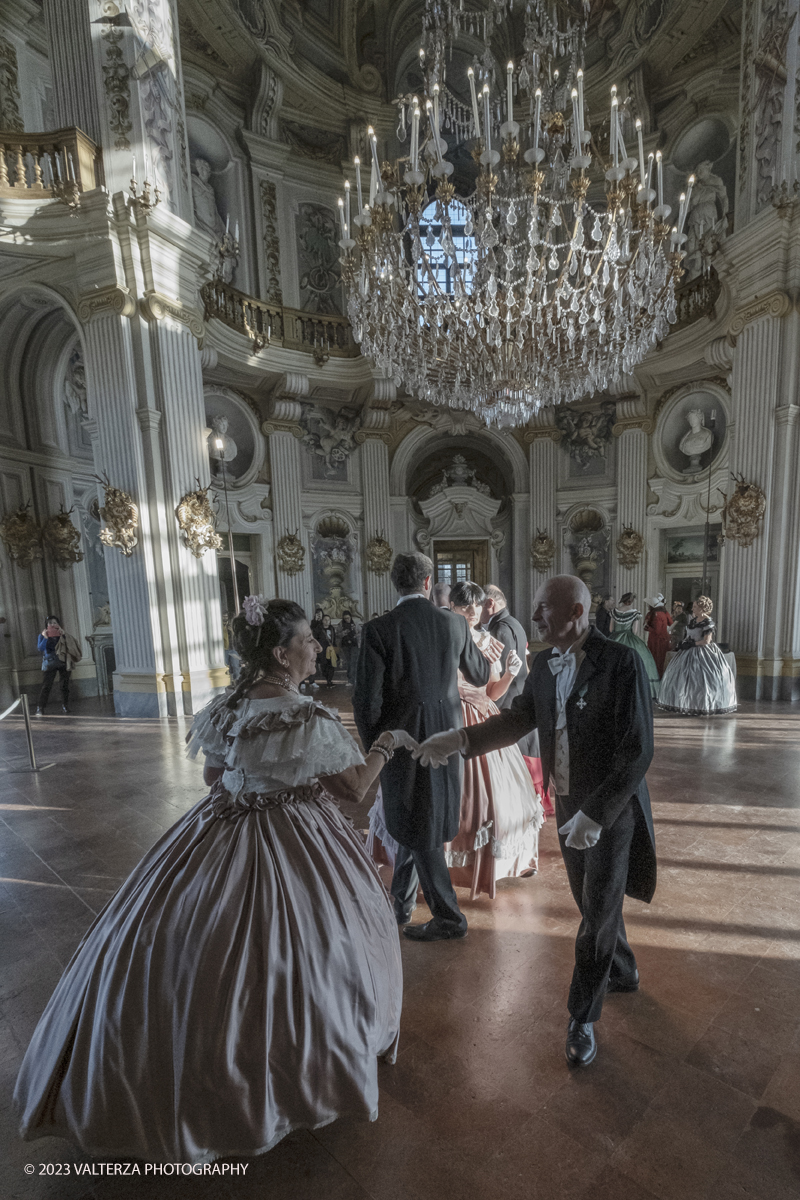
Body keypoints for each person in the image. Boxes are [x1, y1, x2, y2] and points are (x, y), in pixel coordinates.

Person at [15, 598, 404, 1163]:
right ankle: (296, 1080)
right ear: (280, 652)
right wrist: (386, 746)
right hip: (293, 834)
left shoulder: (226, 707)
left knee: (185, 945)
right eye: (307, 640)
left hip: (219, 827)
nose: (317, 647)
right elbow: (353, 791)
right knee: (313, 946)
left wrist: (256, 778)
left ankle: (172, 1081)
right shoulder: (306, 715)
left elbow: (211, 775)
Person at [414, 575, 656, 1067]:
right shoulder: (544, 665)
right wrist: (458, 742)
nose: (536, 616)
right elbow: (513, 721)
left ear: (577, 613)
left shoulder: (621, 662)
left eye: (546, 608)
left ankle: (581, 1017)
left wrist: (597, 814)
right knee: (594, 901)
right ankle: (624, 970)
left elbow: (638, 752)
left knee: (594, 914)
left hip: (610, 809)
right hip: (568, 805)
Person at [353, 552, 494, 941]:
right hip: (447, 739)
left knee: (416, 821)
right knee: (419, 821)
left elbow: (366, 704)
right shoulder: (454, 623)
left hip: (400, 742)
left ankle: (449, 917)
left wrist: (376, 751)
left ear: (395, 584)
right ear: (429, 583)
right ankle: (398, 906)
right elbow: (480, 674)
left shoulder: (378, 629)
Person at [445, 581, 543, 899]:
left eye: (476, 605)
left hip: (483, 717)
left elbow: (492, 693)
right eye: (464, 605)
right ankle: (450, 862)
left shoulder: (488, 641)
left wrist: (511, 675)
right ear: (452, 606)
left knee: (494, 794)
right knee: (457, 795)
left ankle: (497, 862)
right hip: (450, 716)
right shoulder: (443, 636)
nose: (472, 611)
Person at [481, 582, 552, 814]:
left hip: (507, 698)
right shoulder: (515, 624)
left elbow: (500, 673)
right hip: (520, 693)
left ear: (490, 604)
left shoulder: (499, 630)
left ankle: (521, 802)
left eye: (478, 605)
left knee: (516, 758)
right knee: (527, 752)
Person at [657, 596, 737, 716]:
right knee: (683, 678)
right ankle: (687, 703)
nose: (692, 609)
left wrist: (692, 644)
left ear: (702, 608)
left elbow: (707, 641)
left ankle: (703, 704)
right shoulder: (693, 620)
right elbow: (689, 635)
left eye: (695, 607)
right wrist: (684, 643)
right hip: (688, 651)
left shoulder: (708, 622)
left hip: (703, 652)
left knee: (703, 680)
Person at [609, 593, 660, 699]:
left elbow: (610, 629)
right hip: (629, 638)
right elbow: (634, 631)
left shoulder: (614, 611)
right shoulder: (635, 613)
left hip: (615, 639)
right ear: (631, 601)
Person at [36, 616, 81, 715]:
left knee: (64, 686)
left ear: (58, 624)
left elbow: (72, 646)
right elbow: (40, 648)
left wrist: (64, 635)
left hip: (63, 662)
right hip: (50, 663)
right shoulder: (42, 636)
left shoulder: (64, 635)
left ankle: (65, 706)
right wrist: (45, 638)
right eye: (49, 623)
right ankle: (40, 707)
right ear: (46, 625)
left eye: (54, 622)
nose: (52, 624)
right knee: (46, 686)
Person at [644, 594, 673, 677]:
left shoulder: (657, 614)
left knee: (657, 659)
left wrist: (648, 628)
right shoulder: (662, 613)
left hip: (658, 641)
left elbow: (657, 630)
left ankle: (657, 677)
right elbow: (670, 623)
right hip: (658, 639)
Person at [339, 609, 360, 687]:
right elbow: (337, 635)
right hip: (345, 645)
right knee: (348, 662)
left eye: (348, 618)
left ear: (351, 617)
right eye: (345, 618)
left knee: (353, 662)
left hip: (354, 645)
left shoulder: (355, 623)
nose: (347, 620)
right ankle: (350, 679)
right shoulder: (340, 624)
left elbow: (361, 632)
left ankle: (352, 679)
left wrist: (355, 635)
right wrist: (343, 633)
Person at [315, 614, 337, 688]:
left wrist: (335, 648)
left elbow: (334, 639)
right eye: (325, 620)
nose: (327, 621)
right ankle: (327, 678)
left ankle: (329, 680)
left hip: (331, 650)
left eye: (328, 620)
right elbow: (316, 639)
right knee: (324, 665)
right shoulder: (319, 629)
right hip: (322, 650)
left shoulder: (332, 628)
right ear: (322, 621)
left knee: (331, 665)